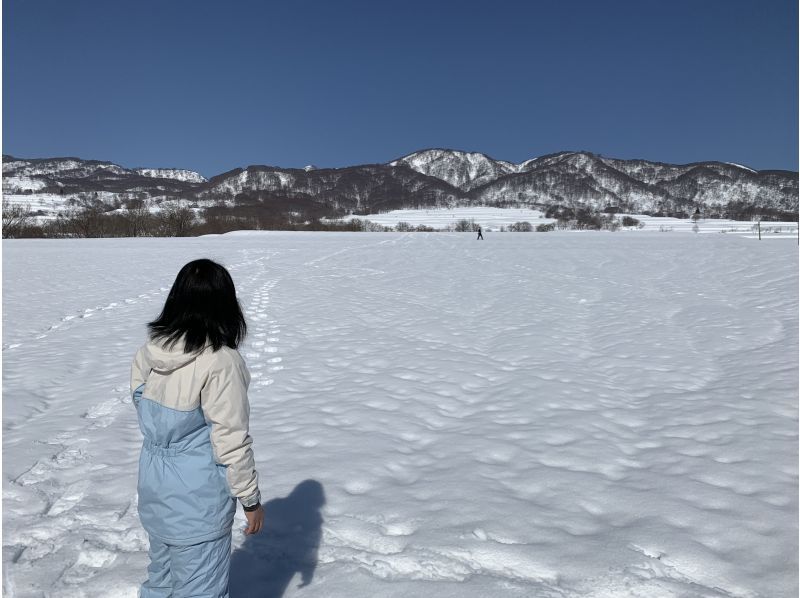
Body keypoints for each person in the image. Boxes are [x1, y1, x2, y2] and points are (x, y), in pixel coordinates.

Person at [131, 258, 263, 597]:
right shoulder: (221, 361)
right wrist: (250, 499)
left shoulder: (151, 350)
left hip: (156, 492)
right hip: (197, 504)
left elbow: (139, 399)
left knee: (160, 584)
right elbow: (230, 440)